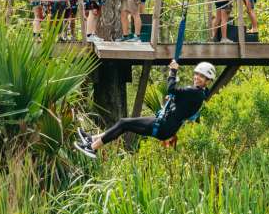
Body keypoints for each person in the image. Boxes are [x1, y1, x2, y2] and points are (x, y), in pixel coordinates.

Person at [75, 61, 217, 158]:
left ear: (208, 81)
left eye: (202, 77)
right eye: (197, 74)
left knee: (124, 123)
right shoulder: (199, 94)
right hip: (165, 124)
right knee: (124, 124)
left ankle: (92, 148)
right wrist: (173, 100)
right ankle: (92, 140)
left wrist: (173, 71)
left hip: (164, 126)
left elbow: (171, 88)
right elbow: (183, 105)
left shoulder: (195, 92)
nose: (197, 78)